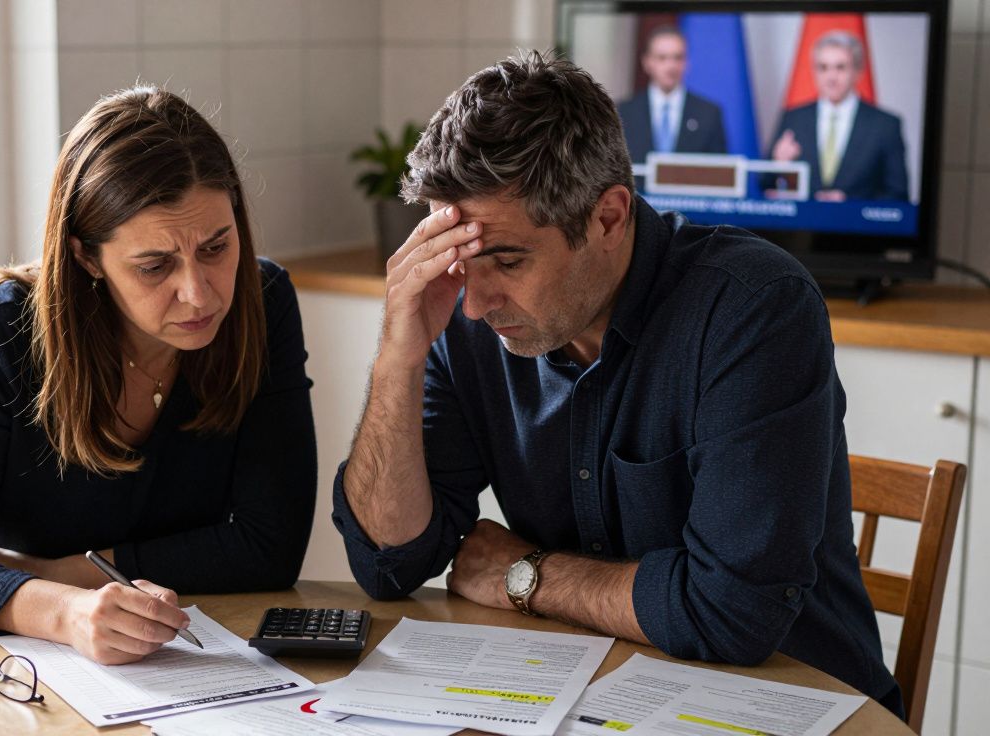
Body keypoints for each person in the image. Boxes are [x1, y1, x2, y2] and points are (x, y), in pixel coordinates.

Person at [331, 51, 903, 718]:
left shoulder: (753, 308)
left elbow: (731, 615)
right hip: (595, 700)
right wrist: (396, 359)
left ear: (608, 217)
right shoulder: (464, 313)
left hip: (793, 705)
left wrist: (527, 575)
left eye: (508, 260)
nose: (476, 303)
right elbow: (390, 563)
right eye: (458, 261)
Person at [0, 87, 317, 666]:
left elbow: (272, 548)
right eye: (154, 265)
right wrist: (65, 611)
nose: (199, 292)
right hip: (37, 672)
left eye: (217, 246)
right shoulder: (9, 327)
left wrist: (55, 574)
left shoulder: (262, 303)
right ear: (87, 257)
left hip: (200, 664)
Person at [769, 31, 909, 202]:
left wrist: (851, 203)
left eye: (840, 67)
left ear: (858, 71)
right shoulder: (794, 118)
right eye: (823, 67)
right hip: (802, 227)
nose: (831, 77)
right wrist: (779, 164)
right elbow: (765, 186)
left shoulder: (885, 125)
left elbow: (899, 195)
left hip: (861, 228)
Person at [616, 25, 727, 165]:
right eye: (662, 58)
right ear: (647, 62)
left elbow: (719, 172)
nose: (671, 66)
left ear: (686, 62)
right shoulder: (624, 112)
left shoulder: (709, 113)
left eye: (678, 58)